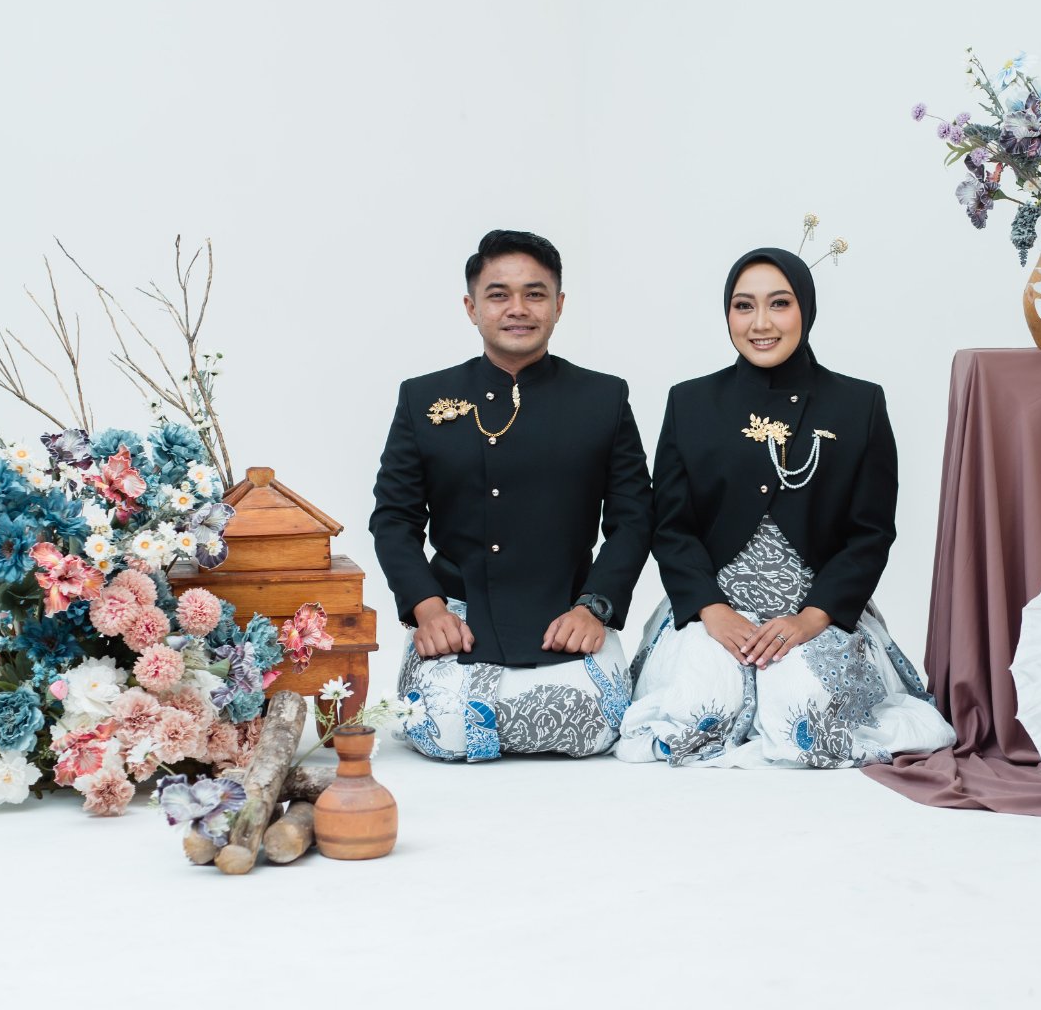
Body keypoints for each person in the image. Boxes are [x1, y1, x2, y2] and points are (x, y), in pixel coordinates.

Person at [617, 247, 955, 768]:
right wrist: (712, 610)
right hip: (714, 609)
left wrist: (812, 618)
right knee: (698, 711)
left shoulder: (859, 404)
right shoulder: (690, 402)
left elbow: (870, 532)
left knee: (805, 711)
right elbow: (671, 526)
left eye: (779, 303)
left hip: (816, 610)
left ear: (806, 309)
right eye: (743, 306)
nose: (760, 323)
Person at [371, 230, 652, 761]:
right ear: (471, 308)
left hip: (568, 612)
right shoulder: (423, 397)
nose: (517, 309)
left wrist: (595, 608)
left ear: (559, 305)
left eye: (535, 294)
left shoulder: (604, 397)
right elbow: (393, 519)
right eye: (498, 294)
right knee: (443, 733)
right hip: (457, 613)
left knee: (596, 728)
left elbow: (634, 518)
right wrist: (427, 609)